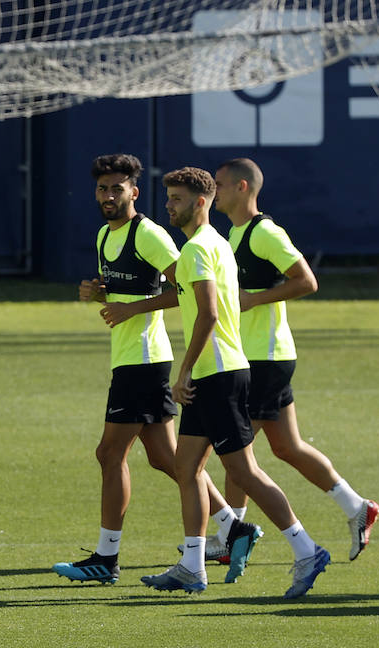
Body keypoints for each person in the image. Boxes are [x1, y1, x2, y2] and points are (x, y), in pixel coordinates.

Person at [54, 154, 254, 586]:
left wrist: (134, 308)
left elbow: (182, 288)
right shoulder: (104, 236)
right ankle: (232, 528)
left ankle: (106, 559)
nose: (109, 196)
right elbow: (133, 287)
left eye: (117, 188)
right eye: (102, 188)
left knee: (109, 454)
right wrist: (99, 292)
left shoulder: (149, 233)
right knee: (168, 459)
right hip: (129, 357)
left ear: (134, 192)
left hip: (145, 360)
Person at [141, 167, 330, 599]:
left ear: (200, 202)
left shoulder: (196, 251)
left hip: (219, 373)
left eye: (176, 198)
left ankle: (307, 550)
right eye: (168, 197)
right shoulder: (217, 244)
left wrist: (184, 371)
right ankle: (192, 566)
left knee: (243, 470)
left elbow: (207, 313)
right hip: (218, 371)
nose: (169, 205)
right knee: (186, 467)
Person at [212, 158, 379, 563]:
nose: (213, 190)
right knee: (287, 446)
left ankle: (232, 534)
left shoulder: (264, 232)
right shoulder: (232, 235)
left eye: (218, 184)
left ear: (242, 187)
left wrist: (254, 300)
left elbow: (307, 280)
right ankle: (358, 508)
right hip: (261, 356)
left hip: (264, 359)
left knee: (237, 454)